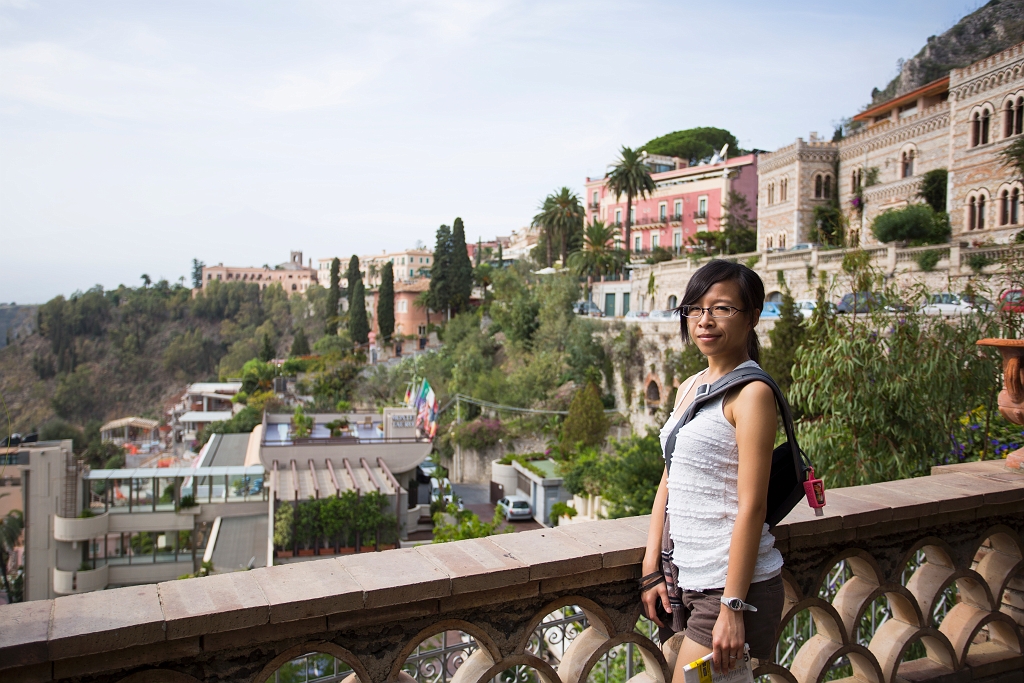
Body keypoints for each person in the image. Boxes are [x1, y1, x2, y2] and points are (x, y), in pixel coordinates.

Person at [640, 260, 784, 675]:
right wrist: (652, 568)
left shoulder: (752, 394)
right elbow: (670, 479)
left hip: (733, 587)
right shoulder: (691, 385)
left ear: (753, 317)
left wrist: (732, 606)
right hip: (685, 577)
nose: (705, 320)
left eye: (722, 308)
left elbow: (752, 505)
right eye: (695, 308)